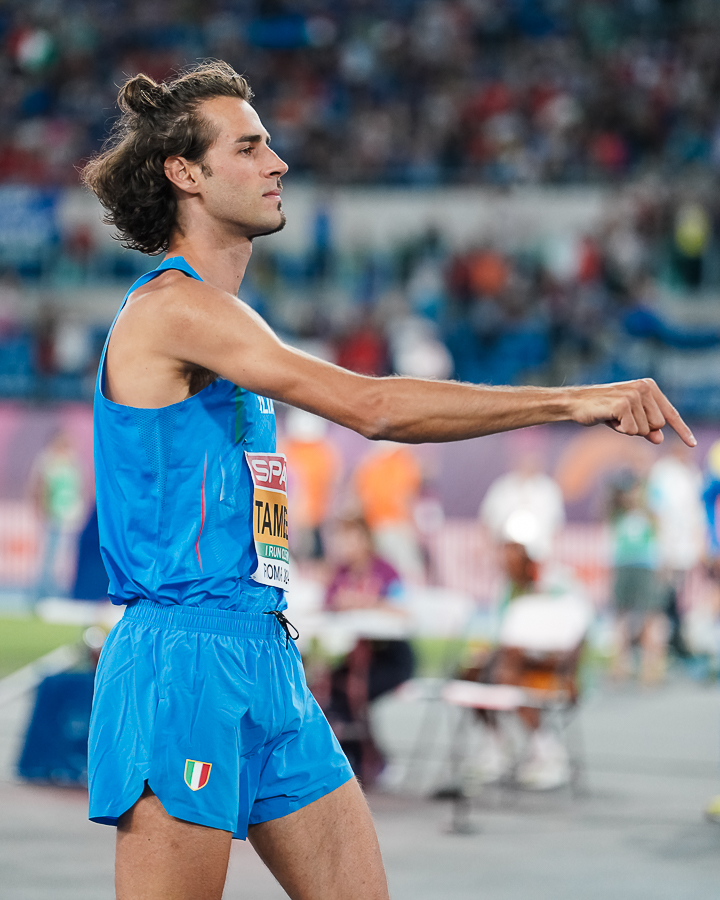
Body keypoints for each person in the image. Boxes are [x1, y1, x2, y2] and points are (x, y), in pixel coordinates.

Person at [80, 61, 695, 900]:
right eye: (249, 147)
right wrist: (572, 400)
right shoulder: (172, 311)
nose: (277, 162)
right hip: (181, 661)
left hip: (265, 650)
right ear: (185, 173)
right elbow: (371, 407)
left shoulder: (233, 324)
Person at [319, 515, 414, 786]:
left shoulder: (385, 571)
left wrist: (368, 603)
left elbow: (403, 610)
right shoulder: (340, 574)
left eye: (349, 538)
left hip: (390, 656)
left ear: (365, 540)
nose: (343, 545)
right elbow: (326, 606)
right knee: (330, 688)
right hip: (355, 656)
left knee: (353, 691)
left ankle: (371, 760)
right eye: (340, 539)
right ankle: (353, 759)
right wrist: (340, 605)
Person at [607, 472, 666, 684]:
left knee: (651, 615)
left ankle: (651, 665)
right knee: (621, 615)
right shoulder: (617, 512)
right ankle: (620, 664)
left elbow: (660, 532)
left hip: (645, 566)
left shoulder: (649, 511)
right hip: (623, 565)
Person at [28, 428, 85, 603]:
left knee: (66, 557)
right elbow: (38, 487)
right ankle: (43, 591)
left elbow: (80, 487)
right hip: (52, 515)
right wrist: (42, 510)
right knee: (49, 556)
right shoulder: (46, 460)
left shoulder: (73, 461)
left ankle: (64, 590)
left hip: (70, 516)